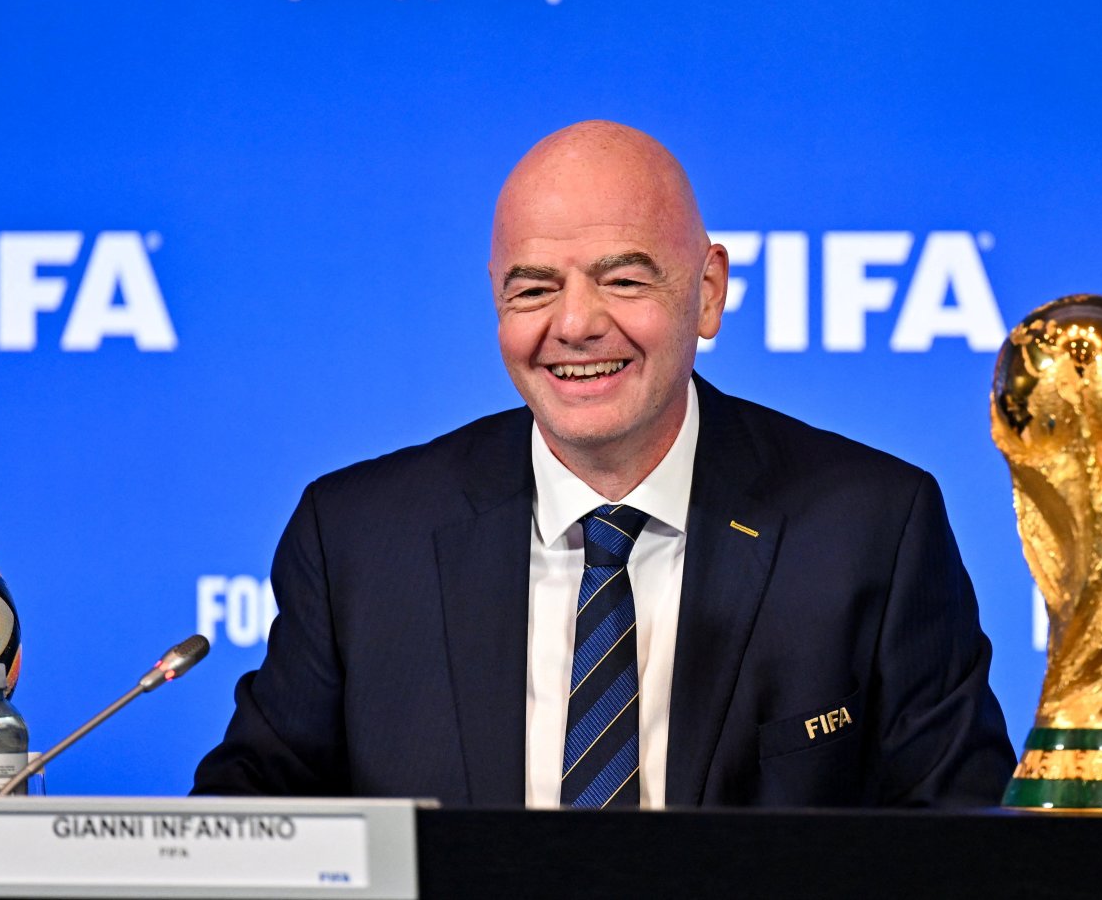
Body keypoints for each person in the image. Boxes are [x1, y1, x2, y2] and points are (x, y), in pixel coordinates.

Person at [193, 121, 1015, 808]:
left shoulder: (871, 529)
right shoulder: (359, 542)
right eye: (533, 289)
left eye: (623, 279)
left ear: (708, 292)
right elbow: (246, 824)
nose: (576, 324)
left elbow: (964, 846)